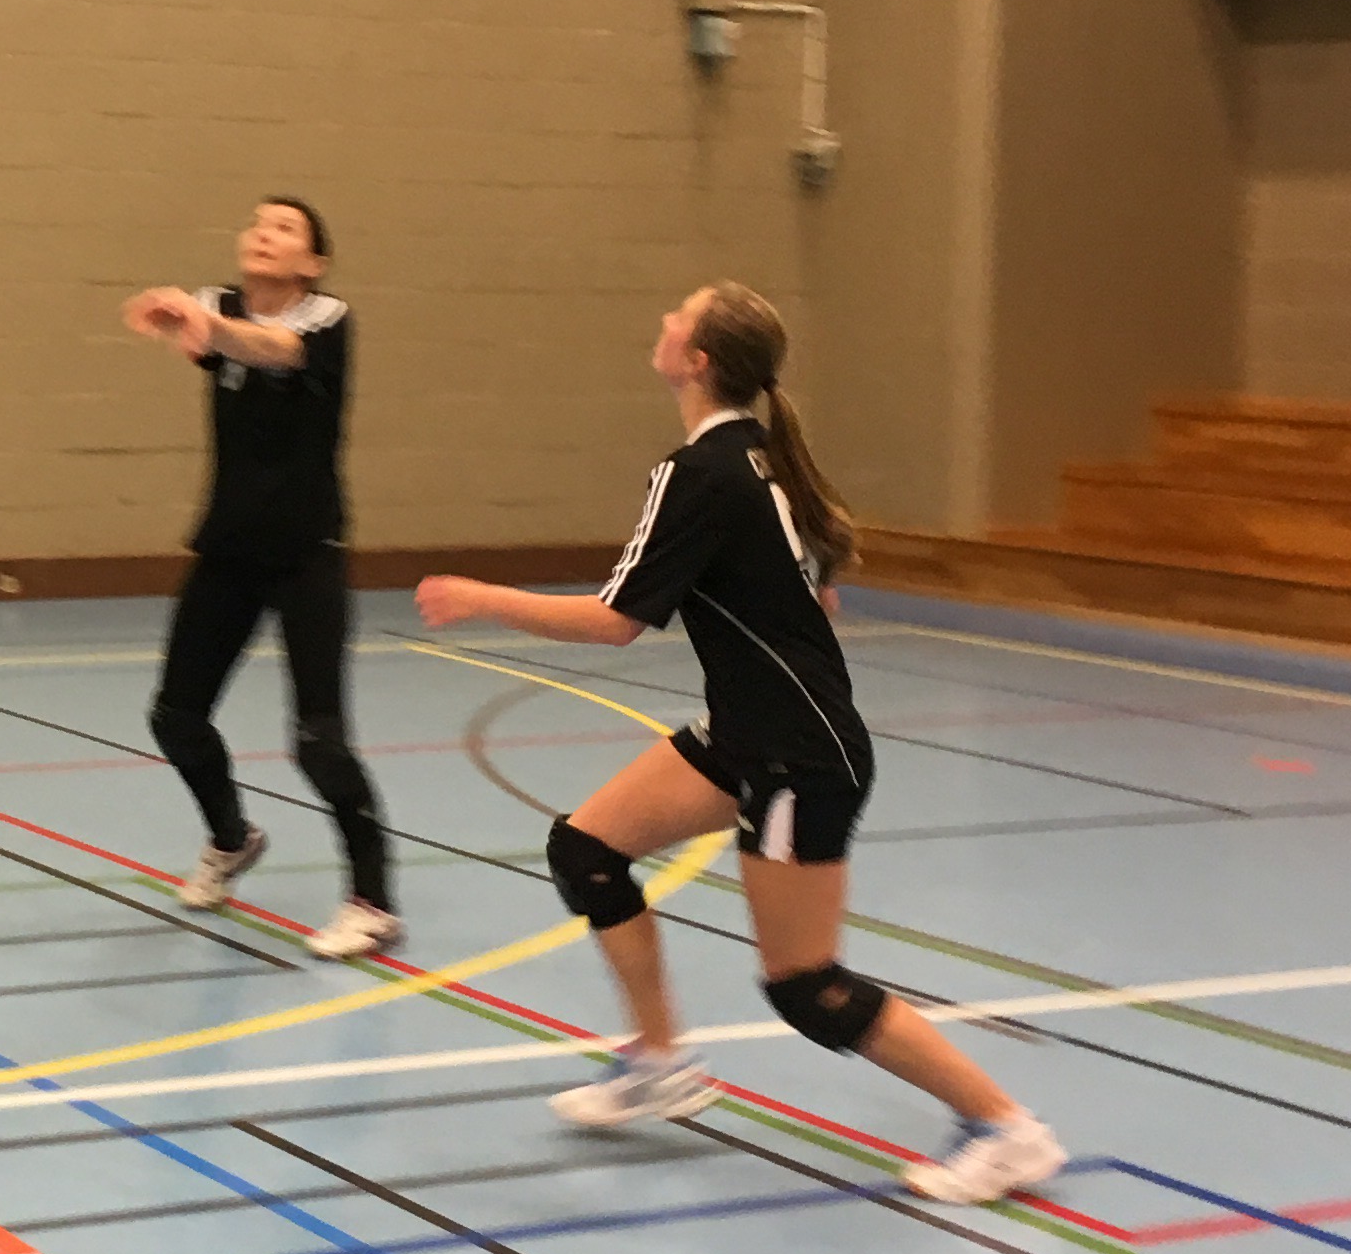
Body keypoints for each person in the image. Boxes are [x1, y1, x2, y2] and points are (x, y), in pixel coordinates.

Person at [415, 279, 1064, 1204]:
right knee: (586, 849)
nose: (663, 320)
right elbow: (817, 595)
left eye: (678, 316)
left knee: (805, 984)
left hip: (799, 757)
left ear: (698, 360)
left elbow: (615, 621)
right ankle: (659, 1061)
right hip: (748, 737)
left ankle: (1007, 1128)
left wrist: (481, 598)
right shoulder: (763, 461)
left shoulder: (702, 473)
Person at [124, 197, 396, 959]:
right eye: (257, 223)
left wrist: (205, 326)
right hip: (228, 549)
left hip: (308, 551)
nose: (264, 234)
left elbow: (275, 350)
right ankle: (231, 838)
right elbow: (213, 342)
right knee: (176, 717)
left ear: (314, 262)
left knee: (319, 741)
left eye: (285, 229)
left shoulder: (326, 319)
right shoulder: (220, 305)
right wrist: (189, 322)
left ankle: (372, 902)